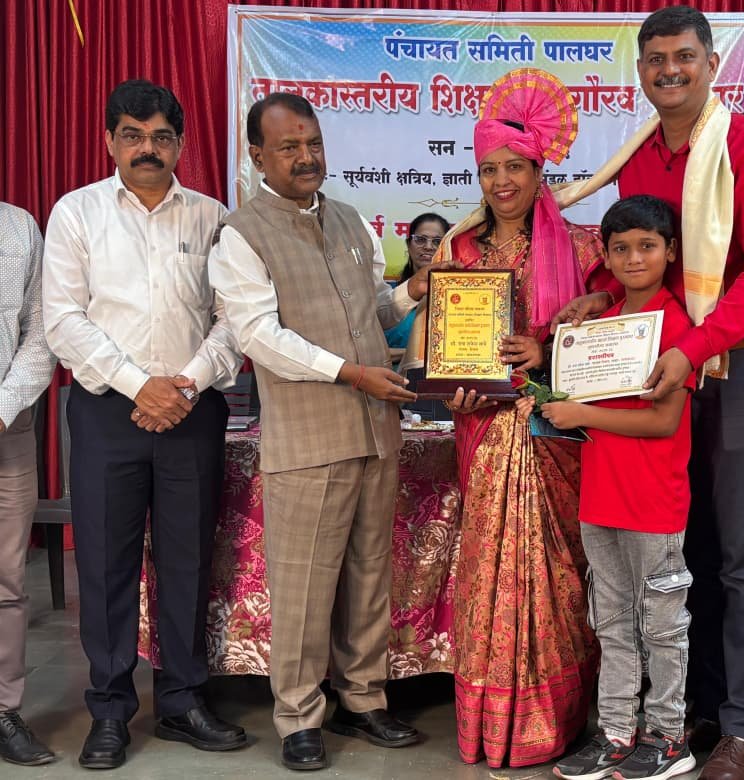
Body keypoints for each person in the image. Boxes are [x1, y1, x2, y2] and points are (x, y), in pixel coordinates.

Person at [551, 8, 744, 778]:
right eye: (655, 59)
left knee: (741, 550)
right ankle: (690, 711)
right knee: (682, 551)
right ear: (640, 71)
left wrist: (691, 348)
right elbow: (645, 252)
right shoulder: (640, 156)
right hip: (662, 364)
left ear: (711, 63)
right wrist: (601, 293)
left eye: (684, 56)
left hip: (743, 362)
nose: (669, 70)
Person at [208, 92, 431, 771]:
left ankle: (362, 699)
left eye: (313, 143)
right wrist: (352, 374)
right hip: (308, 440)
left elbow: (371, 311)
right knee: (303, 586)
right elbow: (259, 337)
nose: (305, 157)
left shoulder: (351, 220)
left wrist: (414, 291)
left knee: (369, 574)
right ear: (258, 156)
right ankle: (299, 715)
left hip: (375, 431)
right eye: (288, 147)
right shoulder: (241, 234)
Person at [42, 79, 246, 769]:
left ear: (181, 144)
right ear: (110, 141)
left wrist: (184, 383)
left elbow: (233, 319)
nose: (147, 149)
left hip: (192, 408)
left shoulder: (213, 218)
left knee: (188, 559)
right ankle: (109, 709)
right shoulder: (77, 213)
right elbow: (63, 319)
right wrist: (140, 385)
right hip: (109, 410)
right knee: (106, 563)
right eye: (132, 135)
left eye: (161, 136)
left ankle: (183, 700)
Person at [420, 68, 607, 768]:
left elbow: (613, 346)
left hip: (558, 436)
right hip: (485, 433)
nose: (501, 182)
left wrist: (550, 348)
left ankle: (560, 721)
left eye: (514, 167)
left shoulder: (586, 249)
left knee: (560, 579)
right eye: (488, 169)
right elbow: (442, 351)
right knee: (491, 578)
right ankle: (493, 727)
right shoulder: (460, 252)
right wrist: (454, 392)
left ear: (538, 169)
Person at [545, 195, 696, 780]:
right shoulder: (599, 324)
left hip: (654, 501)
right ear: (605, 257)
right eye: (621, 249)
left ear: (671, 252)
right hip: (601, 496)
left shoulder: (675, 324)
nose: (634, 258)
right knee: (610, 622)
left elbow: (663, 421)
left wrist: (581, 413)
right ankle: (614, 733)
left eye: (647, 246)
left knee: (662, 626)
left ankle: (668, 737)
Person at [0, 204, 57, 767]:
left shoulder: (19, 227)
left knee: (6, 581)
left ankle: (3, 711)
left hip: (7, 430)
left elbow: (40, 335)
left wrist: (1, 410)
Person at [384, 213, 449, 348]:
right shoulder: (389, 297)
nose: (428, 247)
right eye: (420, 239)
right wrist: (411, 355)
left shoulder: (454, 297)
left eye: (437, 242)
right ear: (409, 244)